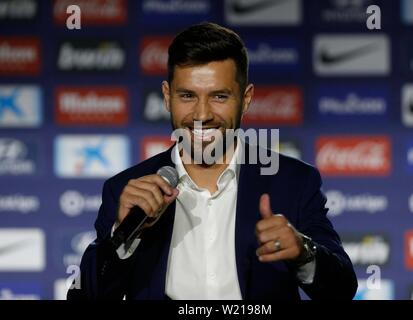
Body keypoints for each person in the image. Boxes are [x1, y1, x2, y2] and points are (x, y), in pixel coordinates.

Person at [67, 22, 357, 300]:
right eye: (187, 95)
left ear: (246, 99)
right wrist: (123, 236)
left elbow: (342, 289)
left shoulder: (292, 182)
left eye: (219, 96)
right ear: (167, 97)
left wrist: (303, 252)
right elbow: (84, 296)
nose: (201, 114)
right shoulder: (126, 190)